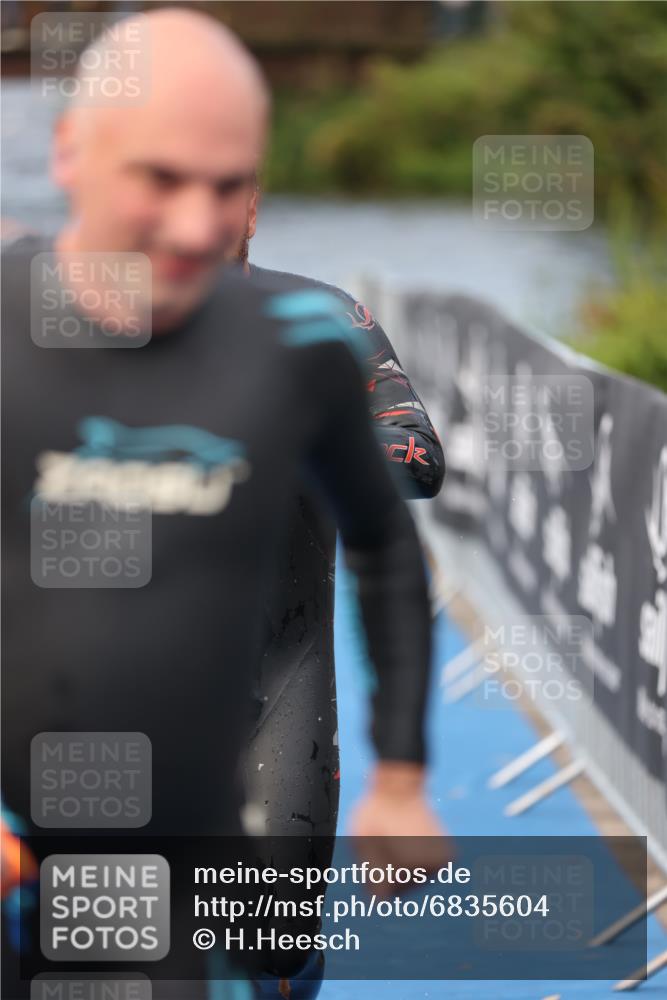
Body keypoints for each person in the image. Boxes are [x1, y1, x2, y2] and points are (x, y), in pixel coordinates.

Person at [1, 9, 448, 999]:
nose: (198, 218)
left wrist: (405, 771)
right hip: (69, 728)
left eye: (228, 185)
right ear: (78, 160)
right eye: (162, 180)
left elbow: (411, 473)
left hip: (268, 698)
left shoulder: (309, 327)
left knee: (270, 956)